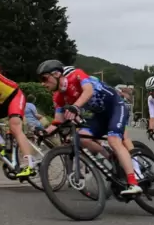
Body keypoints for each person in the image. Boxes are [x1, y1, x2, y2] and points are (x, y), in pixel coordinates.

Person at [37, 60, 143, 195]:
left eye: (44, 79)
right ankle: (111, 158)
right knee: (82, 137)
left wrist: (75, 106)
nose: (42, 83)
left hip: (115, 107)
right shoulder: (58, 97)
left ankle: (133, 182)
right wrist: (43, 132)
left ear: (57, 74)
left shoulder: (76, 75)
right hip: (99, 115)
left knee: (114, 140)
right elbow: (58, 122)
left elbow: (88, 91)